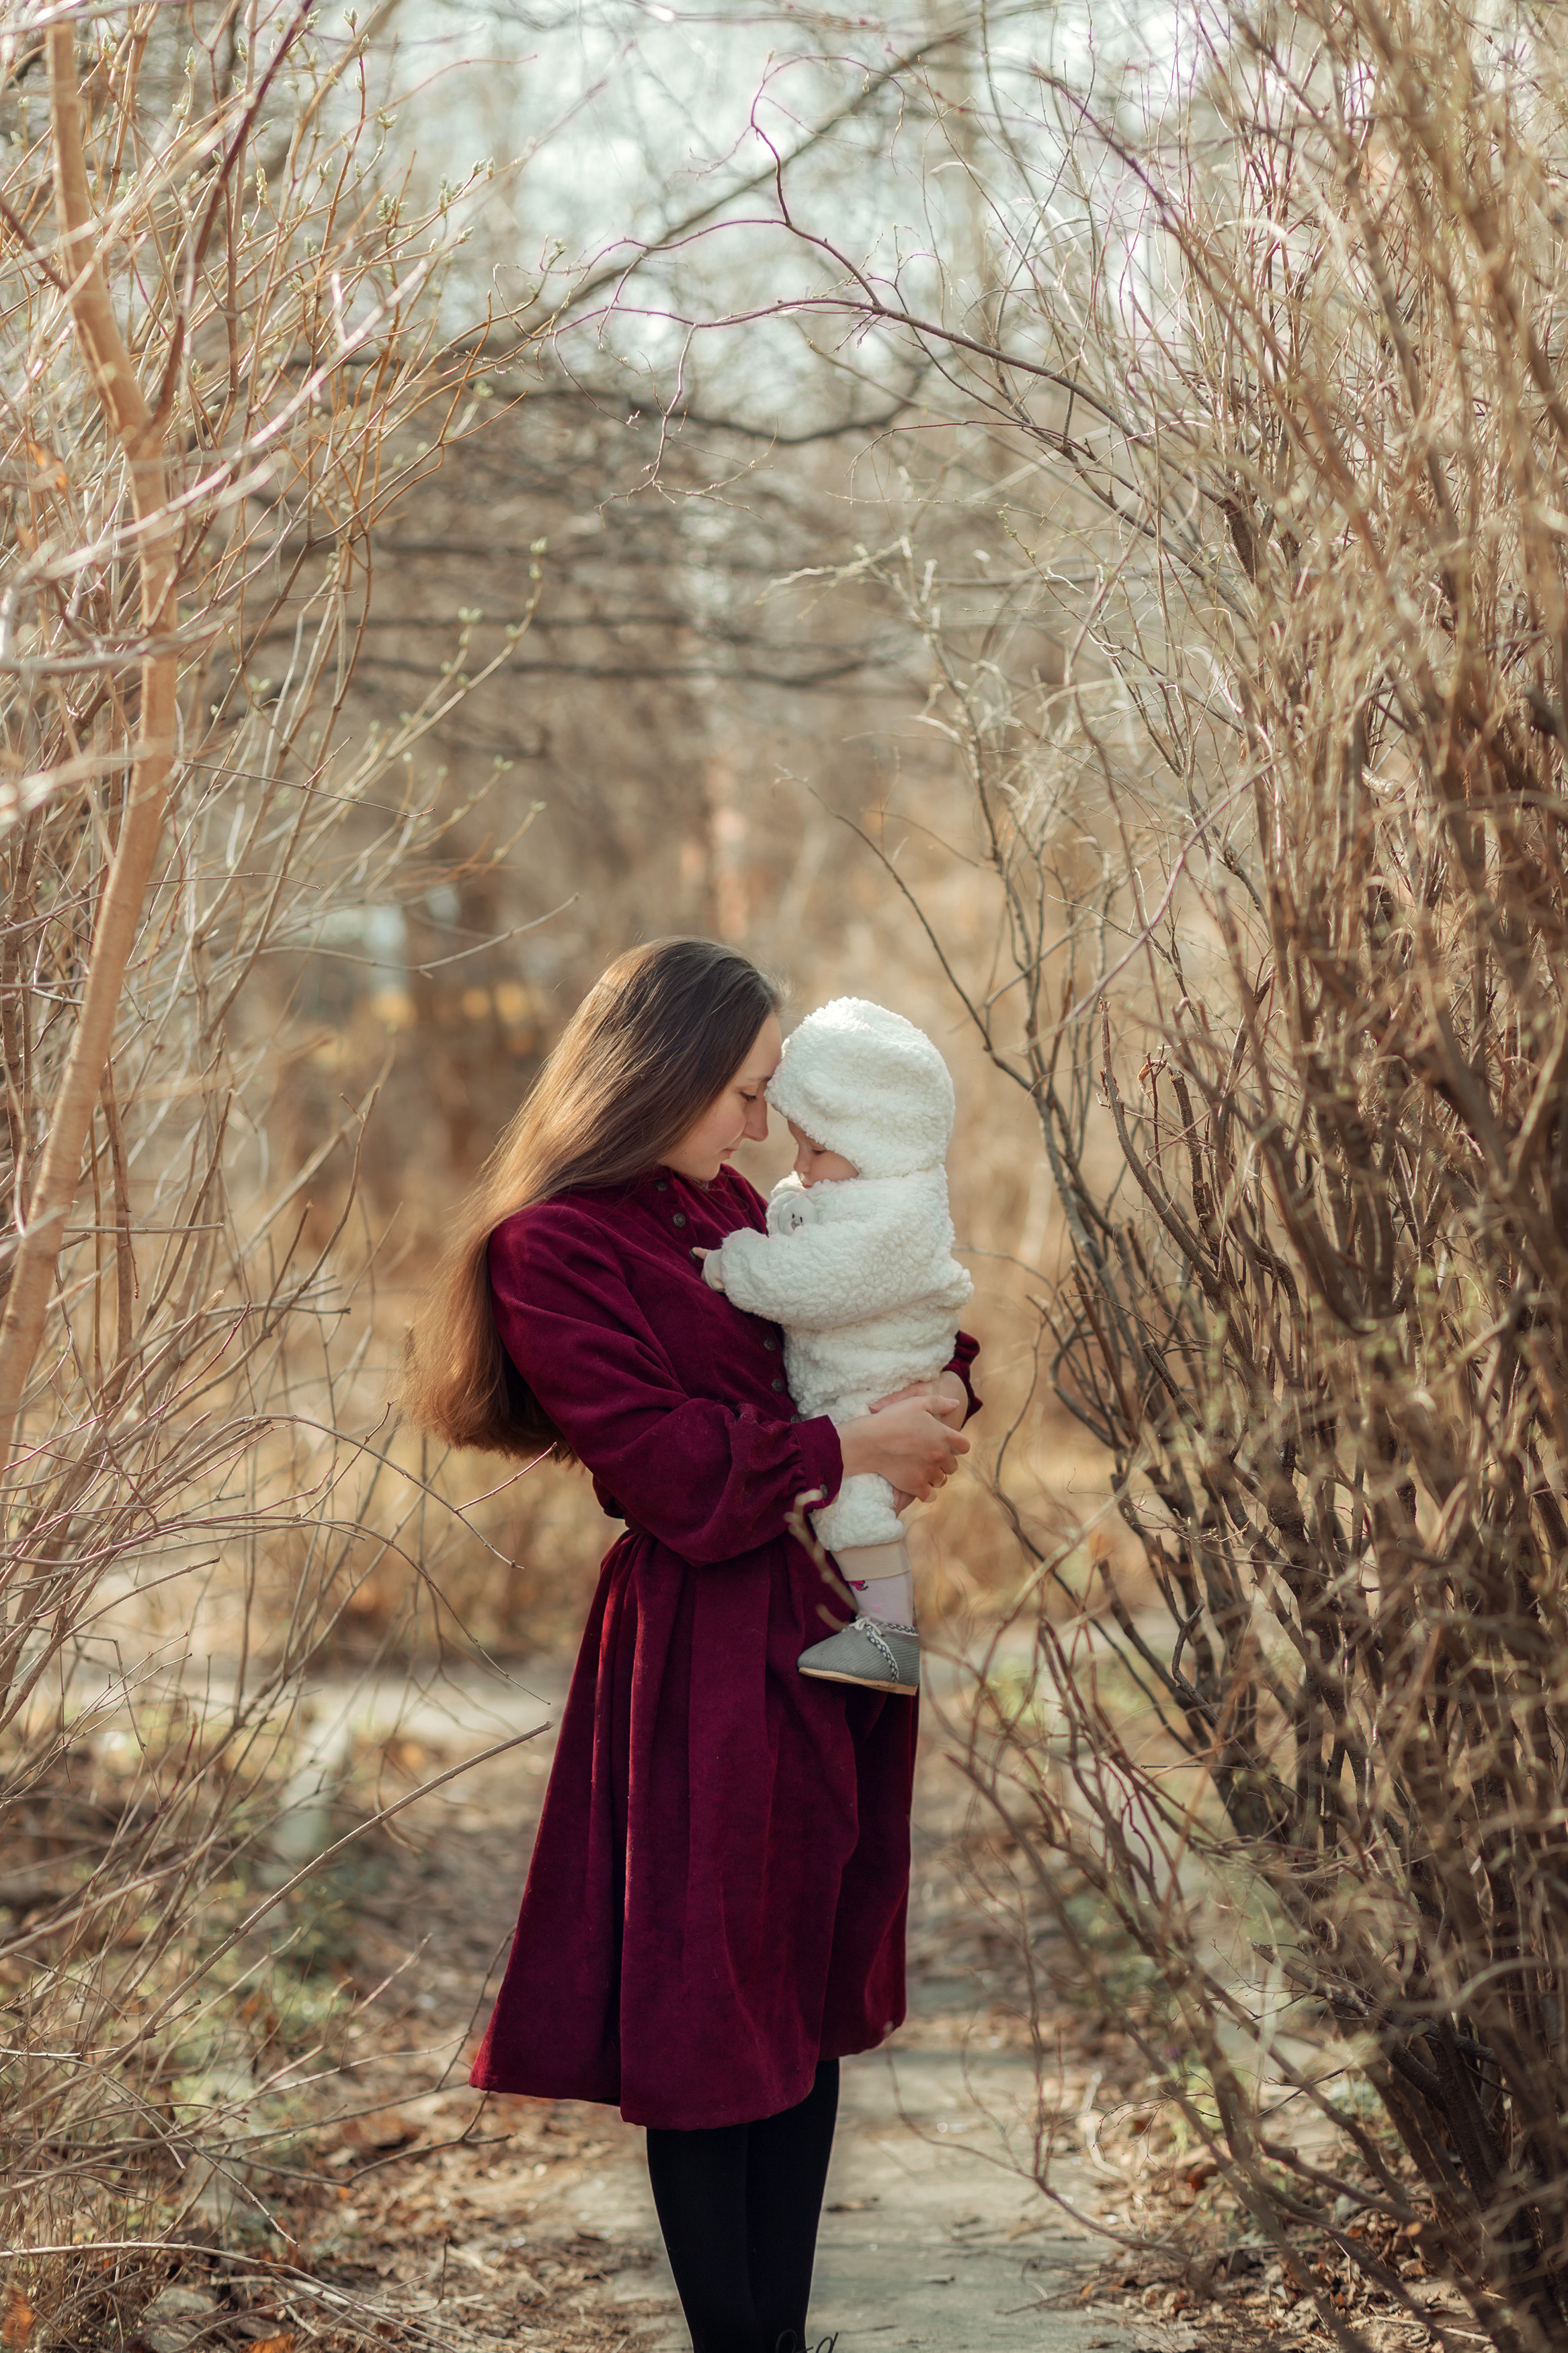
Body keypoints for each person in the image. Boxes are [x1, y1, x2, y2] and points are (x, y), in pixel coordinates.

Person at [399, 937, 980, 2353]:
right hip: (704, 1654)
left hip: (833, 1621)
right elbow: (665, 1467)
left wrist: (935, 1396)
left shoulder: (721, 1203)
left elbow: (877, 1298)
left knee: (796, 1991)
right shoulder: (549, 1252)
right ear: (659, 1077)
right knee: (705, 2009)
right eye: (742, 1087)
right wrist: (850, 1438)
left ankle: (774, 2337)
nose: (762, 1123)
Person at [696, 996, 973, 1698]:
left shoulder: (894, 1213)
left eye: (814, 1149)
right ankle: (881, 1631)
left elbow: (819, 1281)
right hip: (845, 1415)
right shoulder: (862, 1189)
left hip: (869, 1386)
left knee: (852, 1507)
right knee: (847, 1499)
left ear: (874, 1140)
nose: (800, 1165)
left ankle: (888, 1637)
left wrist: (739, 1266)